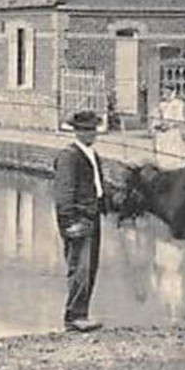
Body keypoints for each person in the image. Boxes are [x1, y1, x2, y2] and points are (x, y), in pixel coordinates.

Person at [53, 110, 107, 333]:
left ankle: (82, 313)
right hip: (78, 218)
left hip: (92, 215)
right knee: (80, 267)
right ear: (76, 131)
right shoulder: (69, 156)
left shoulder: (92, 154)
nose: (89, 134)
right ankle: (73, 317)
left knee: (90, 267)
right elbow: (64, 193)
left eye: (92, 129)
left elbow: (97, 186)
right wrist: (69, 222)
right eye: (85, 130)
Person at [151, 86, 185, 169]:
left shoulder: (178, 103)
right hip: (162, 129)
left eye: (169, 93)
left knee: (173, 147)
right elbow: (156, 116)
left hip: (172, 129)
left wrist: (170, 125)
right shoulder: (161, 104)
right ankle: (162, 164)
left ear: (174, 93)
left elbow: (179, 118)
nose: (167, 95)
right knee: (160, 143)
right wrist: (159, 124)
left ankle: (174, 165)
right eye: (165, 93)